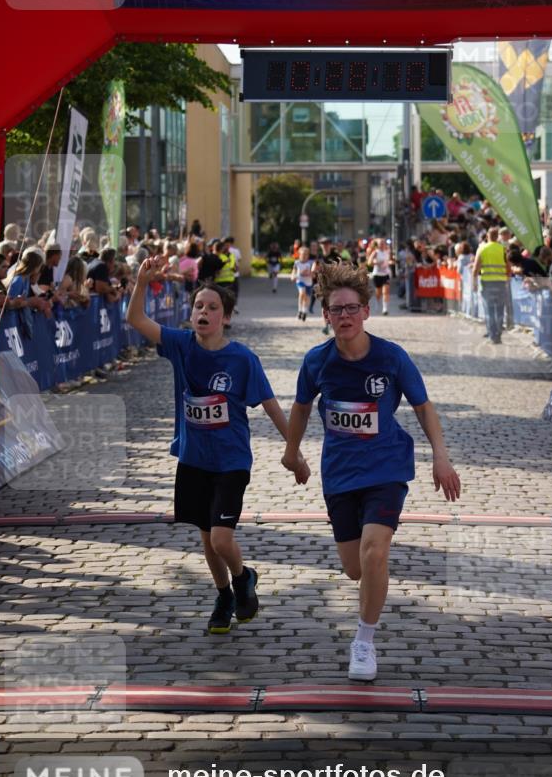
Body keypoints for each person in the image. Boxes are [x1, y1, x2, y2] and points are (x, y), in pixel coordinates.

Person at [282, 263, 460, 682]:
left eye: (352, 308)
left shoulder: (391, 357)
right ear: (324, 315)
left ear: (366, 312)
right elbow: (302, 407)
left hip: (386, 467)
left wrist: (441, 455)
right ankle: (371, 581)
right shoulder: (317, 361)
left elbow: (423, 406)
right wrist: (292, 453)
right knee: (355, 568)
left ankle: (364, 641)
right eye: (335, 309)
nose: (344, 316)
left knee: (374, 552)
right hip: (339, 473)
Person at [127, 260, 309, 635]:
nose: (203, 312)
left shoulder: (242, 359)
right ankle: (224, 594)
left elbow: (272, 406)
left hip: (231, 460)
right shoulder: (180, 345)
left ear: (225, 318)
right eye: (198, 306)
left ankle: (243, 579)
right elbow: (137, 320)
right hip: (193, 458)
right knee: (208, 537)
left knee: (222, 537)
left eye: (212, 308)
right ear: (190, 314)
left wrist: (296, 455)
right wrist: (141, 283)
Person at [471, 228, 511, 344]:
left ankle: (493, 334)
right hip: (500, 283)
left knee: (489, 310)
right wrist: (507, 281)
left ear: (488, 236)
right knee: (499, 309)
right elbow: (508, 267)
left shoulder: (482, 249)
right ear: (497, 236)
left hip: (487, 283)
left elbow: (475, 268)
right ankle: (498, 333)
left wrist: (474, 284)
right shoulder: (502, 249)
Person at [367, 238, 392, 315]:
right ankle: (377, 303)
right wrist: (377, 263)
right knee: (378, 292)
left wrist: (390, 262)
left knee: (386, 291)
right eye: (380, 243)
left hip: (386, 274)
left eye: (383, 243)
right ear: (378, 245)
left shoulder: (388, 252)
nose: (382, 245)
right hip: (377, 274)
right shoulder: (375, 252)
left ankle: (385, 308)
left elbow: (390, 260)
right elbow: (369, 263)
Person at [291, 246, 314, 322]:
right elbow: (294, 271)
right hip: (300, 281)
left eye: (306, 255)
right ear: (299, 255)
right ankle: (299, 310)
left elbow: (313, 273)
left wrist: (311, 274)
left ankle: (304, 311)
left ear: (308, 255)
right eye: (302, 255)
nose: (304, 256)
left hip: (308, 282)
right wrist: (292, 276)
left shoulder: (310, 263)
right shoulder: (296, 263)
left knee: (307, 298)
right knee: (302, 293)